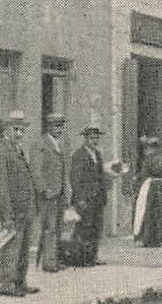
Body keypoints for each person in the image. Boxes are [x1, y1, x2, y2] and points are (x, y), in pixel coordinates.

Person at [0, 111, 40, 297]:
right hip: (13, 210)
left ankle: (20, 281)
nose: (19, 134)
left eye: (22, 130)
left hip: (25, 209)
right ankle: (6, 283)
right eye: (15, 129)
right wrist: (6, 214)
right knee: (11, 247)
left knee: (23, 248)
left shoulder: (18, 150)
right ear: (6, 130)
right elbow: (1, 185)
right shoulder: (1, 150)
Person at [66, 123, 109, 267]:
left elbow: (100, 176)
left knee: (96, 228)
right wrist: (80, 199)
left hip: (97, 199)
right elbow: (75, 179)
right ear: (85, 139)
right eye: (91, 138)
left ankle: (92, 256)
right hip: (85, 199)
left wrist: (103, 194)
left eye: (96, 138)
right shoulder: (79, 155)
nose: (94, 140)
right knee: (84, 228)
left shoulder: (97, 154)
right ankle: (79, 257)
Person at [32, 112, 69, 273]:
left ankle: (52, 258)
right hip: (48, 193)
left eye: (61, 126)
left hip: (59, 192)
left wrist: (66, 188)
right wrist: (43, 189)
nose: (59, 129)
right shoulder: (41, 143)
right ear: (49, 127)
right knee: (49, 227)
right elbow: (36, 169)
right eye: (56, 126)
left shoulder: (60, 144)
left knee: (57, 227)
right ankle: (49, 262)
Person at [135, 139, 162, 248]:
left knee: (149, 212)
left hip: (151, 187)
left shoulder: (148, 160)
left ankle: (149, 239)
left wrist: (137, 180)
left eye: (148, 148)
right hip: (161, 187)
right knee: (159, 213)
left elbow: (144, 173)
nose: (147, 150)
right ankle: (158, 238)